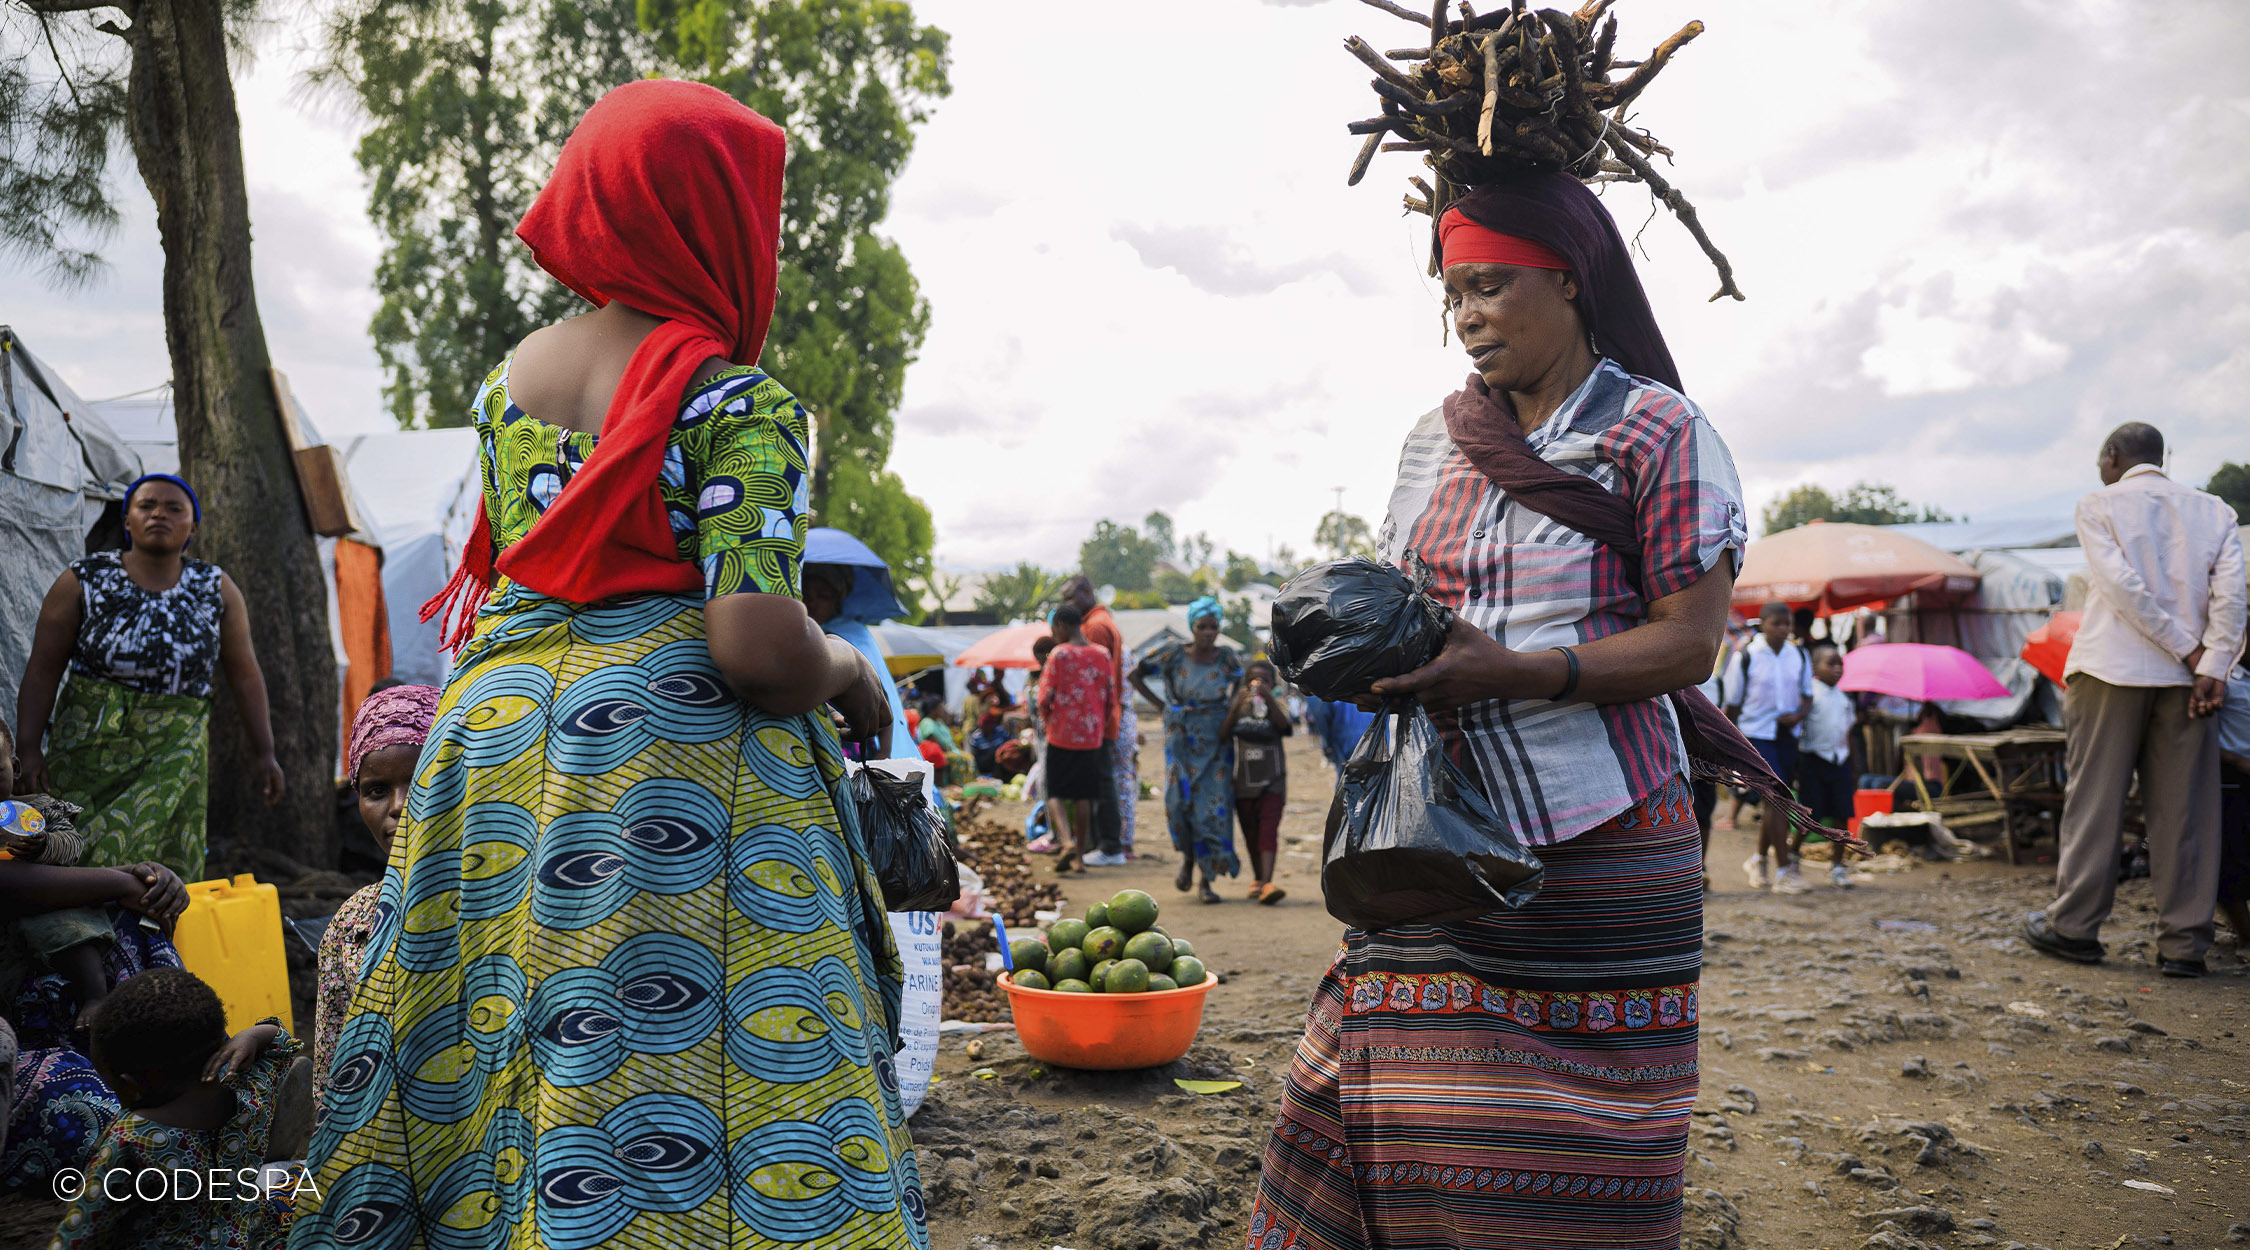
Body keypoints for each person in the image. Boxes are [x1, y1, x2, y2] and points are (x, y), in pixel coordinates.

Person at [291, 81, 925, 1247]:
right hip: (664, 762)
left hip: (494, 744)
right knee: (678, 1063)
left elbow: (526, 569)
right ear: (719, 218)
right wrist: (847, 666)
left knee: (519, 1043)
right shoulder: (736, 399)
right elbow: (753, 647)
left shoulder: (510, 380)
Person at [1248, 172, 1754, 1250]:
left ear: (1567, 278)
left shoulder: (1659, 431)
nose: (1467, 313)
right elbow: (1411, 595)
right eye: (1452, 293)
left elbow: (1690, 641)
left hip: (1598, 843)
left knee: (1568, 1162)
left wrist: (1516, 672)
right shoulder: (1435, 438)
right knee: (1392, 1116)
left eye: (1489, 285)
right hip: (1431, 837)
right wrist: (1347, 636)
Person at [2023, 422, 2246, 979]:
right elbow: (2232, 596)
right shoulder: (2215, 511)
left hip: (2111, 669)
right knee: (2187, 811)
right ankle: (2183, 946)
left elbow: (2121, 587)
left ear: (2113, 455)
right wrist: (2211, 663)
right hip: (2187, 685)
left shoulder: (2099, 504)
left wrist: (2191, 653)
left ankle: (2075, 928)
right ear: (2162, 457)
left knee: (2096, 801)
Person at [14, 473, 285, 881]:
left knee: (163, 862)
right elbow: (42, 668)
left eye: (174, 508)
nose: (159, 513)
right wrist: (28, 748)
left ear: (192, 527)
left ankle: (150, 944)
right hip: (87, 750)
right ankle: (84, 942)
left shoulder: (216, 589)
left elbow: (245, 675)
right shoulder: (83, 579)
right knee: (76, 852)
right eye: (146, 505)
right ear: (127, 520)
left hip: (174, 756)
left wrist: (266, 752)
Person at [53, 969, 302, 1248]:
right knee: (295, 1178)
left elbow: (79, 1234)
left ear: (130, 1085)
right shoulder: (250, 1097)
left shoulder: (128, 1141)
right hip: (254, 1239)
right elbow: (280, 1043)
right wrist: (252, 1037)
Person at [310, 684, 437, 1117]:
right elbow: (333, 1072)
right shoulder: (352, 924)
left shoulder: (504, 905)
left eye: (422, 781)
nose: (399, 807)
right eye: (377, 790)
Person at [1132, 598, 1243, 903]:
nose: (1208, 632)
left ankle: (1206, 881)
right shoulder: (1172, 651)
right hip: (1180, 739)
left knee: (1212, 811)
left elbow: (1242, 688)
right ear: (1192, 627)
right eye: (1202, 627)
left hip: (1216, 741)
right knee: (1178, 804)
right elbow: (1135, 674)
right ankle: (1188, 860)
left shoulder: (1228, 657)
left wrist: (1231, 716)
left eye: (1214, 627)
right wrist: (1161, 707)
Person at [1724, 602, 1814, 894]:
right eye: (1777, 623)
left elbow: (1807, 696)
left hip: (1787, 735)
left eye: (1787, 624)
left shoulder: (1798, 654)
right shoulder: (1746, 656)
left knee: (1775, 800)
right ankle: (1785, 870)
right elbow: (1733, 705)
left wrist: (1798, 715)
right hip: (1755, 736)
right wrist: (1730, 748)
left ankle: (1759, 859)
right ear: (1762, 624)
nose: (1783, 629)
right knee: (1777, 798)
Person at [1062, 576, 1136, 860]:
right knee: (1106, 781)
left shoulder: (1094, 627)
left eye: (1070, 598)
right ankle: (1107, 845)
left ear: (1086, 592)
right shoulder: (1103, 621)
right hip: (1103, 717)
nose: (1068, 605)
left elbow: (1091, 681)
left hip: (1097, 720)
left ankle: (1109, 846)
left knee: (1103, 783)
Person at [1037, 605, 1115, 875]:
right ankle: (1079, 858)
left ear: (1060, 625)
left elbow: (1044, 697)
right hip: (1091, 737)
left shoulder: (1060, 654)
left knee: (1055, 792)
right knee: (1084, 796)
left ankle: (1067, 841)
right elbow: (1110, 696)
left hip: (1061, 734)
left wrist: (1047, 719)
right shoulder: (1102, 654)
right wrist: (1099, 724)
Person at [1222, 660, 1292, 904]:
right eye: (1254, 679)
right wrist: (1235, 706)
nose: (1258, 683)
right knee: (1250, 832)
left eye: (1264, 680)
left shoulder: (1278, 703)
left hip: (1273, 780)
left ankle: (1267, 882)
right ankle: (1259, 879)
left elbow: (1285, 726)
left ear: (1272, 684)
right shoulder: (1239, 705)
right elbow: (1223, 734)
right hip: (1243, 782)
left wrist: (1269, 699)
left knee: (1268, 830)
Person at [1798, 643, 1857, 888]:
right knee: (1811, 815)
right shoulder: (1810, 693)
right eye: (1830, 663)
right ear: (1815, 667)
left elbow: (1848, 732)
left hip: (1839, 761)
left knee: (1842, 815)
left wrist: (1853, 765)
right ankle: (1792, 854)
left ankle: (1838, 865)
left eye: (1839, 664)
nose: (1837, 669)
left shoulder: (1844, 697)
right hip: (1813, 760)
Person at [2216, 666, 2250, 945]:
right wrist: (2237, 761)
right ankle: (2246, 936)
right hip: (2233, 778)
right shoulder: (2223, 681)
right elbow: (2201, 737)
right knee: (2232, 860)